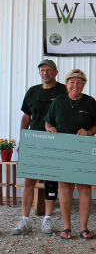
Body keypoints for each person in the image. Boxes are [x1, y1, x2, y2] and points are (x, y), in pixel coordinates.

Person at [45, 69, 96, 239]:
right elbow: (48, 123)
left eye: (79, 82)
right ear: (67, 84)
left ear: (84, 85)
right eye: (72, 82)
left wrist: (89, 132)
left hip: (84, 150)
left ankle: (84, 227)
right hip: (63, 150)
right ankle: (66, 227)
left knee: (85, 188)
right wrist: (51, 130)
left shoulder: (90, 102)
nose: (75, 85)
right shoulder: (58, 101)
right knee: (65, 187)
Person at [13, 59, 67, 235]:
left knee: (51, 181)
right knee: (29, 181)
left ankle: (47, 220)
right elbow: (26, 117)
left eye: (49, 70)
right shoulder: (32, 92)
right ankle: (25, 220)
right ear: (39, 73)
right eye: (42, 70)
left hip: (54, 140)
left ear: (55, 72)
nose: (45, 73)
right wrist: (23, 141)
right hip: (33, 140)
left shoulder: (62, 90)